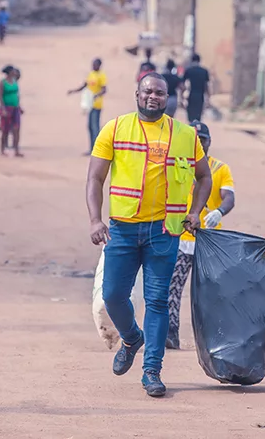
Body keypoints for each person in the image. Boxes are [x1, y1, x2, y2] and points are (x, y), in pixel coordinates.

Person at [86, 72, 213, 397]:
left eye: (159, 92)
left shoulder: (185, 135)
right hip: (123, 230)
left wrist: (195, 212)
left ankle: (152, 371)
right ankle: (131, 338)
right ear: (137, 94)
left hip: (164, 232)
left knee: (157, 301)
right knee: (113, 295)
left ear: (168, 97)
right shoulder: (115, 129)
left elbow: (204, 178)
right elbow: (95, 179)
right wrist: (94, 220)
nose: (153, 97)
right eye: (148, 91)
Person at [166, 120, 235, 350]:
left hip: (209, 242)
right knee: (173, 288)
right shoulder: (176, 165)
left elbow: (229, 197)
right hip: (181, 238)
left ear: (209, 142)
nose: (198, 143)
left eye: (202, 139)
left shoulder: (219, 169)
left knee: (210, 293)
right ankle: (170, 333)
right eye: (193, 139)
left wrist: (219, 211)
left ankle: (211, 339)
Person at [68, 58, 107, 151]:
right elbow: (84, 85)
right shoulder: (91, 74)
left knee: (95, 127)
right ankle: (92, 148)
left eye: (95, 64)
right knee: (89, 127)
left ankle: (97, 149)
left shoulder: (101, 76)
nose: (93, 66)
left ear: (99, 65)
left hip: (97, 105)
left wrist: (96, 95)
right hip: (89, 104)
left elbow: (104, 89)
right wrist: (73, 91)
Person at [0, 65, 23, 157]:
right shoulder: (2, 83)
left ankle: (16, 149)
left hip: (15, 107)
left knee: (16, 129)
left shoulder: (15, 81)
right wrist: (3, 109)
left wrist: (19, 106)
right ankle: (2, 149)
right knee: (5, 130)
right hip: (6, 108)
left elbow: (17, 95)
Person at [182, 53, 210, 122]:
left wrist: (182, 96)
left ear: (192, 60)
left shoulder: (189, 70)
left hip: (191, 94)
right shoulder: (204, 71)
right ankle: (197, 130)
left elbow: (182, 84)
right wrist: (208, 97)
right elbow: (206, 85)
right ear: (199, 60)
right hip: (200, 95)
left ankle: (191, 130)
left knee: (191, 115)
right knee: (198, 115)